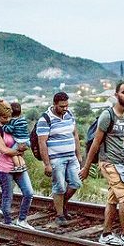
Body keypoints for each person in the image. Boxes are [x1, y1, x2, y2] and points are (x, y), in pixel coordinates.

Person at [79, 81, 124, 246]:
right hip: (107, 162)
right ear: (116, 95)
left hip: (121, 162)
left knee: (113, 200)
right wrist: (86, 167)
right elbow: (96, 143)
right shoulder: (107, 116)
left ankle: (106, 234)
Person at [37, 92, 82, 226]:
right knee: (60, 186)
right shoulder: (45, 119)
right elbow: (42, 142)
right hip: (56, 158)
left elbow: (75, 135)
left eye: (67, 105)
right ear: (54, 104)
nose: (65, 108)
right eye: (62, 106)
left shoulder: (69, 114)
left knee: (76, 183)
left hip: (71, 156)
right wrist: (47, 164)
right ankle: (60, 215)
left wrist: (78, 154)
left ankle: (61, 205)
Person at [0, 99, 34, 229]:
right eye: (4, 117)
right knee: (7, 196)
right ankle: (8, 222)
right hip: (4, 168)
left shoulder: (13, 124)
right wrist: (19, 150)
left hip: (19, 167)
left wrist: (22, 147)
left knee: (29, 193)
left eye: (9, 116)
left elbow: (22, 140)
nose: (7, 119)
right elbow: (3, 150)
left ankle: (22, 220)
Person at [1, 102, 30, 172]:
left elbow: (9, 129)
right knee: (19, 154)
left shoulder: (13, 121)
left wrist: (3, 126)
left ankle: (17, 166)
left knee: (13, 153)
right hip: (27, 141)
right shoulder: (23, 120)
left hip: (19, 141)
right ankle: (23, 166)